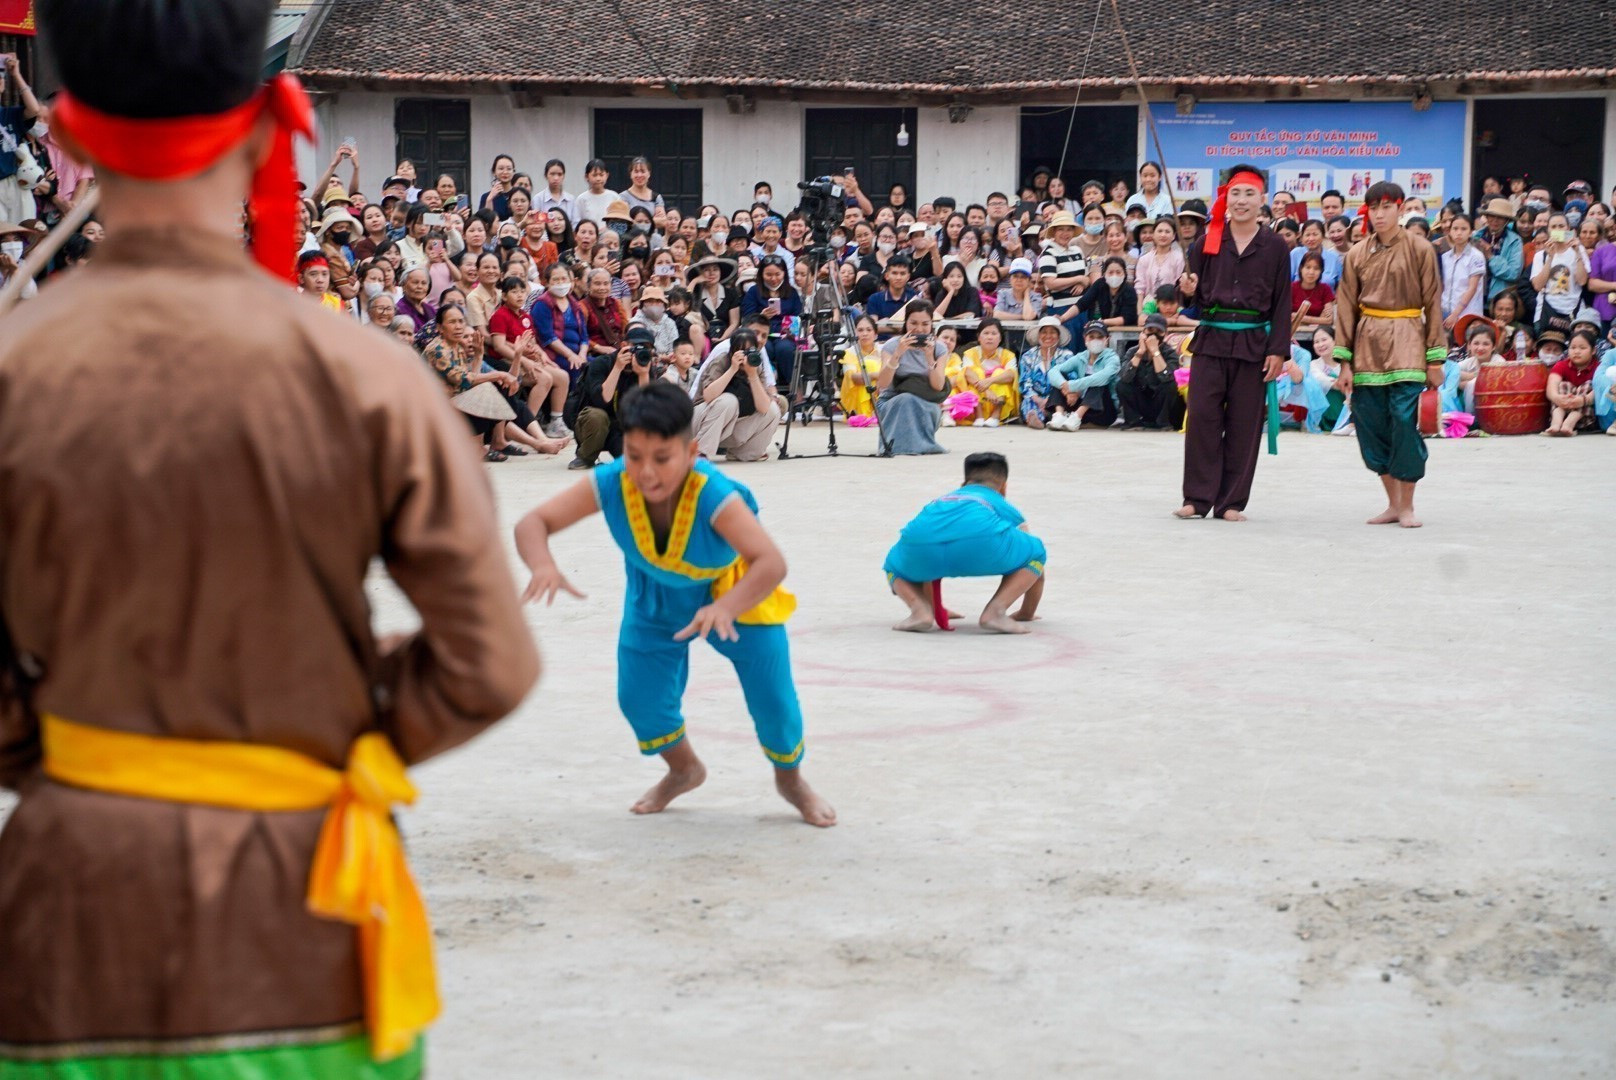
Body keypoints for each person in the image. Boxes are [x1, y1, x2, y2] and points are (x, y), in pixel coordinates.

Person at [0, 1, 542, 1074]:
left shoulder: (15, 375)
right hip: (303, 917)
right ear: (264, 125)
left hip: (68, 925)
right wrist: (312, 721)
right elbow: (487, 664)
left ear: (60, 134)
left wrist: (70, 747)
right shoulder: (367, 380)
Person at [513, 382, 834, 826]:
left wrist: (726, 608)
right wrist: (542, 565)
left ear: (690, 452)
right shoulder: (611, 481)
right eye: (634, 455)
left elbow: (770, 563)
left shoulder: (713, 494)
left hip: (734, 595)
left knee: (774, 700)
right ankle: (683, 770)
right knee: (639, 699)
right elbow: (534, 522)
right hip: (654, 597)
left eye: (662, 458)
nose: (645, 472)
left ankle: (790, 779)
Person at [1174, 164, 1292, 521]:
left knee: (1244, 425)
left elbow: (1283, 301)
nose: (1242, 202)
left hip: (1254, 344)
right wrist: (1188, 292)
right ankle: (1197, 498)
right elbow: (1190, 301)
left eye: (1249, 194)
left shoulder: (1274, 247)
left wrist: (1278, 351)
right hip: (1210, 341)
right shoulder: (1205, 242)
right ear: (1226, 198)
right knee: (1202, 421)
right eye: (1236, 194)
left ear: (1263, 201)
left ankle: (1231, 503)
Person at [1334, 180, 1446, 529]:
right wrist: (1344, 362)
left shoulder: (1420, 248)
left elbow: (1433, 301)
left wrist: (1436, 358)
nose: (1380, 214)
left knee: (1403, 419)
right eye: (1374, 208)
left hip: (1409, 340)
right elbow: (1346, 307)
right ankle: (1393, 503)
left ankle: (1408, 504)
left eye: (1387, 207)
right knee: (1370, 424)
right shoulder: (1356, 254)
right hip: (1367, 345)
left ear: (1401, 208)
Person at [883, 453, 1046, 635]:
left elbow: (928, 570)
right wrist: (1027, 612)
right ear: (1003, 488)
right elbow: (1030, 557)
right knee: (1035, 552)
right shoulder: (998, 501)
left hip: (921, 549)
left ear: (964, 483)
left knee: (894, 564)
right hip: (980, 546)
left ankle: (920, 610)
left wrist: (937, 608)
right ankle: (996, 611)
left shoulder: (942, 500)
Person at [568, 325, 661, 469]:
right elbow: (601, 400)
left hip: (621, 428)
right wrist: (617, 368)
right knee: (597, 415)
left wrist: (643, 375)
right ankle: (585, 457)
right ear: (624, 345)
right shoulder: (602, 363)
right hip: (592, 425)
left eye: (646, 348)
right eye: (636, 347)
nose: (640, 352)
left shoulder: (646, 368)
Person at [691, 327, 782, 460]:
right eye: (741, 350)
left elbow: (764, 408)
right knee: (728, 400)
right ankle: (700, 450)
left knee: (773, 409)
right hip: (700, 423)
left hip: (728, 428)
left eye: (750, 350)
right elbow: (708, 396)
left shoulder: (756, 366)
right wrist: (733, 369)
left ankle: (743, 453)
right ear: (732, 350)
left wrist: (752, 375)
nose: (746, 355)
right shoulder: (721, 360)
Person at [874, 300, 949, 455]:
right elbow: (882, 384)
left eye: (925, 324)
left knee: (911, 400)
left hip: (926, 402)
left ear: (931, 325)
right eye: (913, 323)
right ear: (906, 323)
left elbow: (938, 386)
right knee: (906, 399)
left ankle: (918, 444)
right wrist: (898, 354)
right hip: (891, 401)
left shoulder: (939, 348)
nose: (919, 329)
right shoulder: (891, 346)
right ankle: (902, 446)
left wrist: (929, 358)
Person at [1048, 321, 1121, 429]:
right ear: (1085, 338)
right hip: (1084, 406)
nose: (1095, 340)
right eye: (1091, 337)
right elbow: (1053, 371)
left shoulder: (1112, 358)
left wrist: (1073, 386)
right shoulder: (1081, 357)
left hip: (1105, 410)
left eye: (1100, 337)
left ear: (1107, 339)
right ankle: (1059, 415)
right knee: (1061, 376)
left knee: (1097, 382)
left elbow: (1101, 378)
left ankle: (1077, 417)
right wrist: (1064, 386)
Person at [1117, 313, 1183, 430]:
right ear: (1143, 331)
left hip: (1162, 404)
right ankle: (1134, 421)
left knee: (1171, 384)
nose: (1154, 334)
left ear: (1165, 334)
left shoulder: (1170, 353)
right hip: (1142, 401)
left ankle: (1163, 423)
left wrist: (1155, 352)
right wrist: (1141, 352)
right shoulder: (1133, 351)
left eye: (1159, 331)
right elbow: (1125, 377)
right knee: (1122, 385)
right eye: (1150, 329)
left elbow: (1166, 377)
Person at [1017, 315, 1076, 430]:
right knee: (1028, 402)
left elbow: (1072, 380)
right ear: (1039, 336)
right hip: (1035, 398)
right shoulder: (1028, 356)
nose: (1048, 336)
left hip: (1058, 399)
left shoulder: (1067, 356)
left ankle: (1051, 416)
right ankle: (1036, 418)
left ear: (1058, 336)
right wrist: (1039, 400)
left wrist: (1050, 400)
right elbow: (1025, 383)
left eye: (1052, 332)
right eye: (1044, 332)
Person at [959, 319, 1019, 426]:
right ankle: (979, 416)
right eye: (986, 333)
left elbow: (1011, 375)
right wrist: (986, 390)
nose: (989, 337)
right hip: (978, 398)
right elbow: (967, 373)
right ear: (979, 337)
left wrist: (990, 381)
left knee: (1000, 373)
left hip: (998, 399)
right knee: (976, 372)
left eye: (994, 333)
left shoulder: (1008, 355)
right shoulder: (970, 353)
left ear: (1000, 338)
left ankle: (996, 415)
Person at [1544, 327, 1600, 436]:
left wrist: (1583, 400)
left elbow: (1600, 390)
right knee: (1564, 385)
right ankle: (1556, 423)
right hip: (1563, 409)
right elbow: (1551, 387)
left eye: (1582, 348)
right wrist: (1557, 398)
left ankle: (1569, 424)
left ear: (1593, 350)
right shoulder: (1561, 365)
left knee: (1588, 385)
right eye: (1573, 347)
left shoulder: (1598, 367)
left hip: (1586, 418)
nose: (1577, 352)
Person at [1440, 213, 1487, 329]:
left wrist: (1455, 314)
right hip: (1445, 313)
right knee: (1440, 346)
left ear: (1471, 232)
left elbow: (1472, 288)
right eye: (1455, 229)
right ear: (1450, 231)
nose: (1459, 233)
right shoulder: (1445, 257)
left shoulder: (1476, 256)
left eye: (1464, 229)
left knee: (1464, 345)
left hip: (1468, 315)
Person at [1476, 197, 1525, 302]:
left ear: (1507, 220)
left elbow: (1513, 273)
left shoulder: (1515, 241)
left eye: (1500, 217)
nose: (1495, 220)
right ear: (1487, 216)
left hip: (1499, 301)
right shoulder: (1475, 237)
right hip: (1474, 298)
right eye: (1492, 216)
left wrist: (1491, 257)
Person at [839, 314, 885, 418]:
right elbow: (854, 379)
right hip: (855, 398)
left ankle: (877, 409)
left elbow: (891, 375)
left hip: (881, 391)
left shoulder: (883, 350)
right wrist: (875, 375)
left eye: (869, 330)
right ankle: (866, 412)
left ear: (876, 334)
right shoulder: (849, 353)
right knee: (870, 364)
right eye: (860, 330)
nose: (865, 334)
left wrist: (879, 376)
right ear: (854, 333)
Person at [1290, 251, 1335, 329]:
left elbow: (1328, 320)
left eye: (1316, 268)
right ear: (1301, 268)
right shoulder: (1291, 288)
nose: (1311, 272)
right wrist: (1319, 319)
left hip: (1317, 334)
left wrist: (1299, 317)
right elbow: (1286, 316)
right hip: (1292, 333)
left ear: (1321, 271)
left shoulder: (1325, 289)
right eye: (1308, 267)